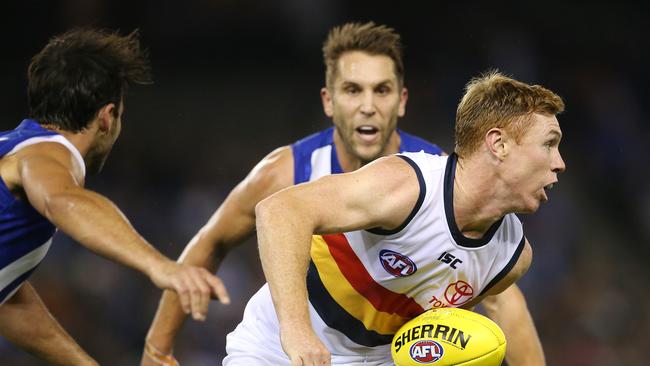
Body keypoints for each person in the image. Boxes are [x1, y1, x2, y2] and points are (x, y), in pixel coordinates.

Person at [142, 22, 444, 365]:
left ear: (402, 100)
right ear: (328, 101)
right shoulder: (286, 172)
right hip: (293, 351)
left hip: (390, 354)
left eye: (382, 90)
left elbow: (495, 280)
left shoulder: (439, 176)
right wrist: (157, 348)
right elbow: (211, 242)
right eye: (352, 90)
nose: (368, 105)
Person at [241, 71, 564, 366]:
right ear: (499, 144)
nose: (559, 163)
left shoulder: (513, 257)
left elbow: (433, 331)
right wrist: (296, 331)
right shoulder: (407, 185)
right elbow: (280, 211)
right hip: (278, 350)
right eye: (549, 144)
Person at [0, 28, 229, 365]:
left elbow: (10, 299)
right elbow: (62, 200)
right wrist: (161, 266)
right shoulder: (48, 154)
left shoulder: (13, 147)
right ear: (107, 117)